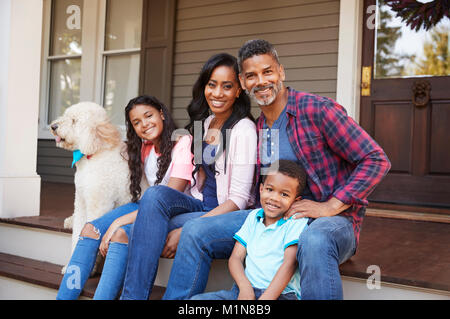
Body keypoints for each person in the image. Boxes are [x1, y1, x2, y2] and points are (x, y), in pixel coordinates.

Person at [163, 39, 391, 300]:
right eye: (251, 75)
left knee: (314, 240)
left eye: (267, 71)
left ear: (281, 72)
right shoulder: (260, 128)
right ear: (243, 81)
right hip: (276, 218)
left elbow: (376, 159)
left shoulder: (316, 110)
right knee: (195, 231)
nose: (261, 81)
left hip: (331, 223)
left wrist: (329, 206)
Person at [119, 53, 257, 300]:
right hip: (200, 204)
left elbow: (239, 199)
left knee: (151, 230)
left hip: (228, 214)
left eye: (227, 86)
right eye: (212, 84)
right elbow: (197, 181)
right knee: (155, 195)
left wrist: (190, 226)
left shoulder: (243, 129)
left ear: (238, 90)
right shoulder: (204, 122)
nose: (218, 93)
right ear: (204, 86)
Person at [56, 95, 193, 300]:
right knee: (90, 229)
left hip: (174, 209)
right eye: (137, 122)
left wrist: (116, 223)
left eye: (149, 116)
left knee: (121, 232)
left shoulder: (182, 142)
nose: (144, 124)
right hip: (146, 207)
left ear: (162, 114)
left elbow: (167, 198)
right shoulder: (142, 147)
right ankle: (64, 297)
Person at [191, 160, 308, 300]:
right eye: (270, 190)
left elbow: (290, 263)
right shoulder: (254, 217)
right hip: (246, 292)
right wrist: (245, 288)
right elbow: (236, 257)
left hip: (281, 295)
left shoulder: (295, 221)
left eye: (284, 194)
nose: (274, 198)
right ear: (261, 189)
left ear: (296, 201)